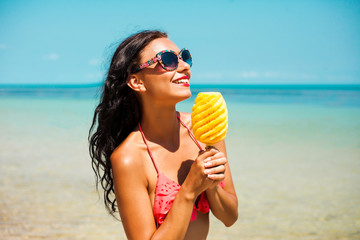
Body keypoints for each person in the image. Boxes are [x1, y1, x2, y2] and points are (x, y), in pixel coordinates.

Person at [89, 30, 238, 240]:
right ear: (137, 82)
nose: (185, 66)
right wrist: (189, 191)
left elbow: (230, 217)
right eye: (167, 60)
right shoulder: (129, 158)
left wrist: (211, 186)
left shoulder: (203, 129)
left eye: (184, 57)